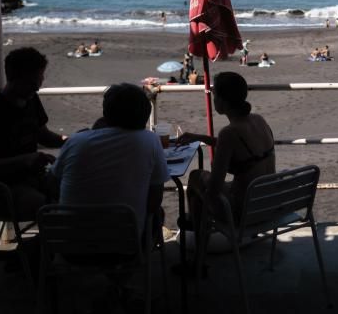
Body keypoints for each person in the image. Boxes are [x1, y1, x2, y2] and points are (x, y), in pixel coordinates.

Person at [48, 83, 169, 236]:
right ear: (144, 114)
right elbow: (154, 200)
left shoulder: (77, 141)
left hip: (71, 248)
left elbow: (52, 185)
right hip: (125, 247)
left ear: (106, 112)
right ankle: (146, 258)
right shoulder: (149, 140)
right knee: (158, 214)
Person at [0, 47, 66, 220]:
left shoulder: (30, 99)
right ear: (14, 78)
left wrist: (71, 140)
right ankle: (43, 245)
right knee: (48, 208)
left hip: (30, 179)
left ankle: (45, 244)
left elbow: (44, 136)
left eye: (40, 78)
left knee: (75, 190)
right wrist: (27, 160)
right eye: (33, 82)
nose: (38, 87)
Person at [181, 72, 275, 226]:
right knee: (199, 196)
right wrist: (201, 138)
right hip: (268, 202)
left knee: (195, 178)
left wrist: (204, 177)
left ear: (223, 101)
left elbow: (214, 189)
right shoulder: (259, 120)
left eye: (214, 93)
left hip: (244, 212)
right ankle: (199, 233)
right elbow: (242, 148)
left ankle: (198, 237)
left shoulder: (228, 133)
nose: (213, 98)